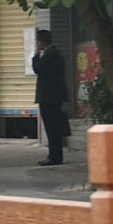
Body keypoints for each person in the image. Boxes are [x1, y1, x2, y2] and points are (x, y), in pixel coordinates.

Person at [30, 14, 72, 167]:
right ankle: (55, 155)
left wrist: (35, 56)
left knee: (52, 128)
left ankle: (54, 156)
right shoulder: (55, 54)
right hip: (54, 97)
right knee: (55, 128)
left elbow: (37, 69)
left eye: (38, 42)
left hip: (50, 98)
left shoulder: (50, 56)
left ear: (41, 42)